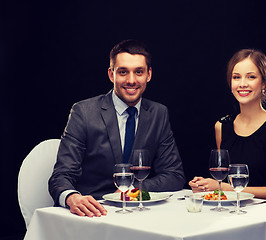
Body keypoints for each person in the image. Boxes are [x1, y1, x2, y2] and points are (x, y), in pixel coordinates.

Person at [49, 39, 186, 217]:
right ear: (111, 74)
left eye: (139, 72)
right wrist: (72, 197)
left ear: (148, 75)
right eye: (123, 72)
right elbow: (61, 176)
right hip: (93, 213)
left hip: (141, 212)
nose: (131, 80)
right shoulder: (83, 112)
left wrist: (133, 190)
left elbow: (174, 175)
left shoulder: (158, 113)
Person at [189, 49, 266, 201]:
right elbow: (222, 180)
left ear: (264, 83)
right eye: (236, 77)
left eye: (251, 77)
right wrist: (204, 186)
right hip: (232, 209)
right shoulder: (221, 127)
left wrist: (220, 187)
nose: (242, 84)